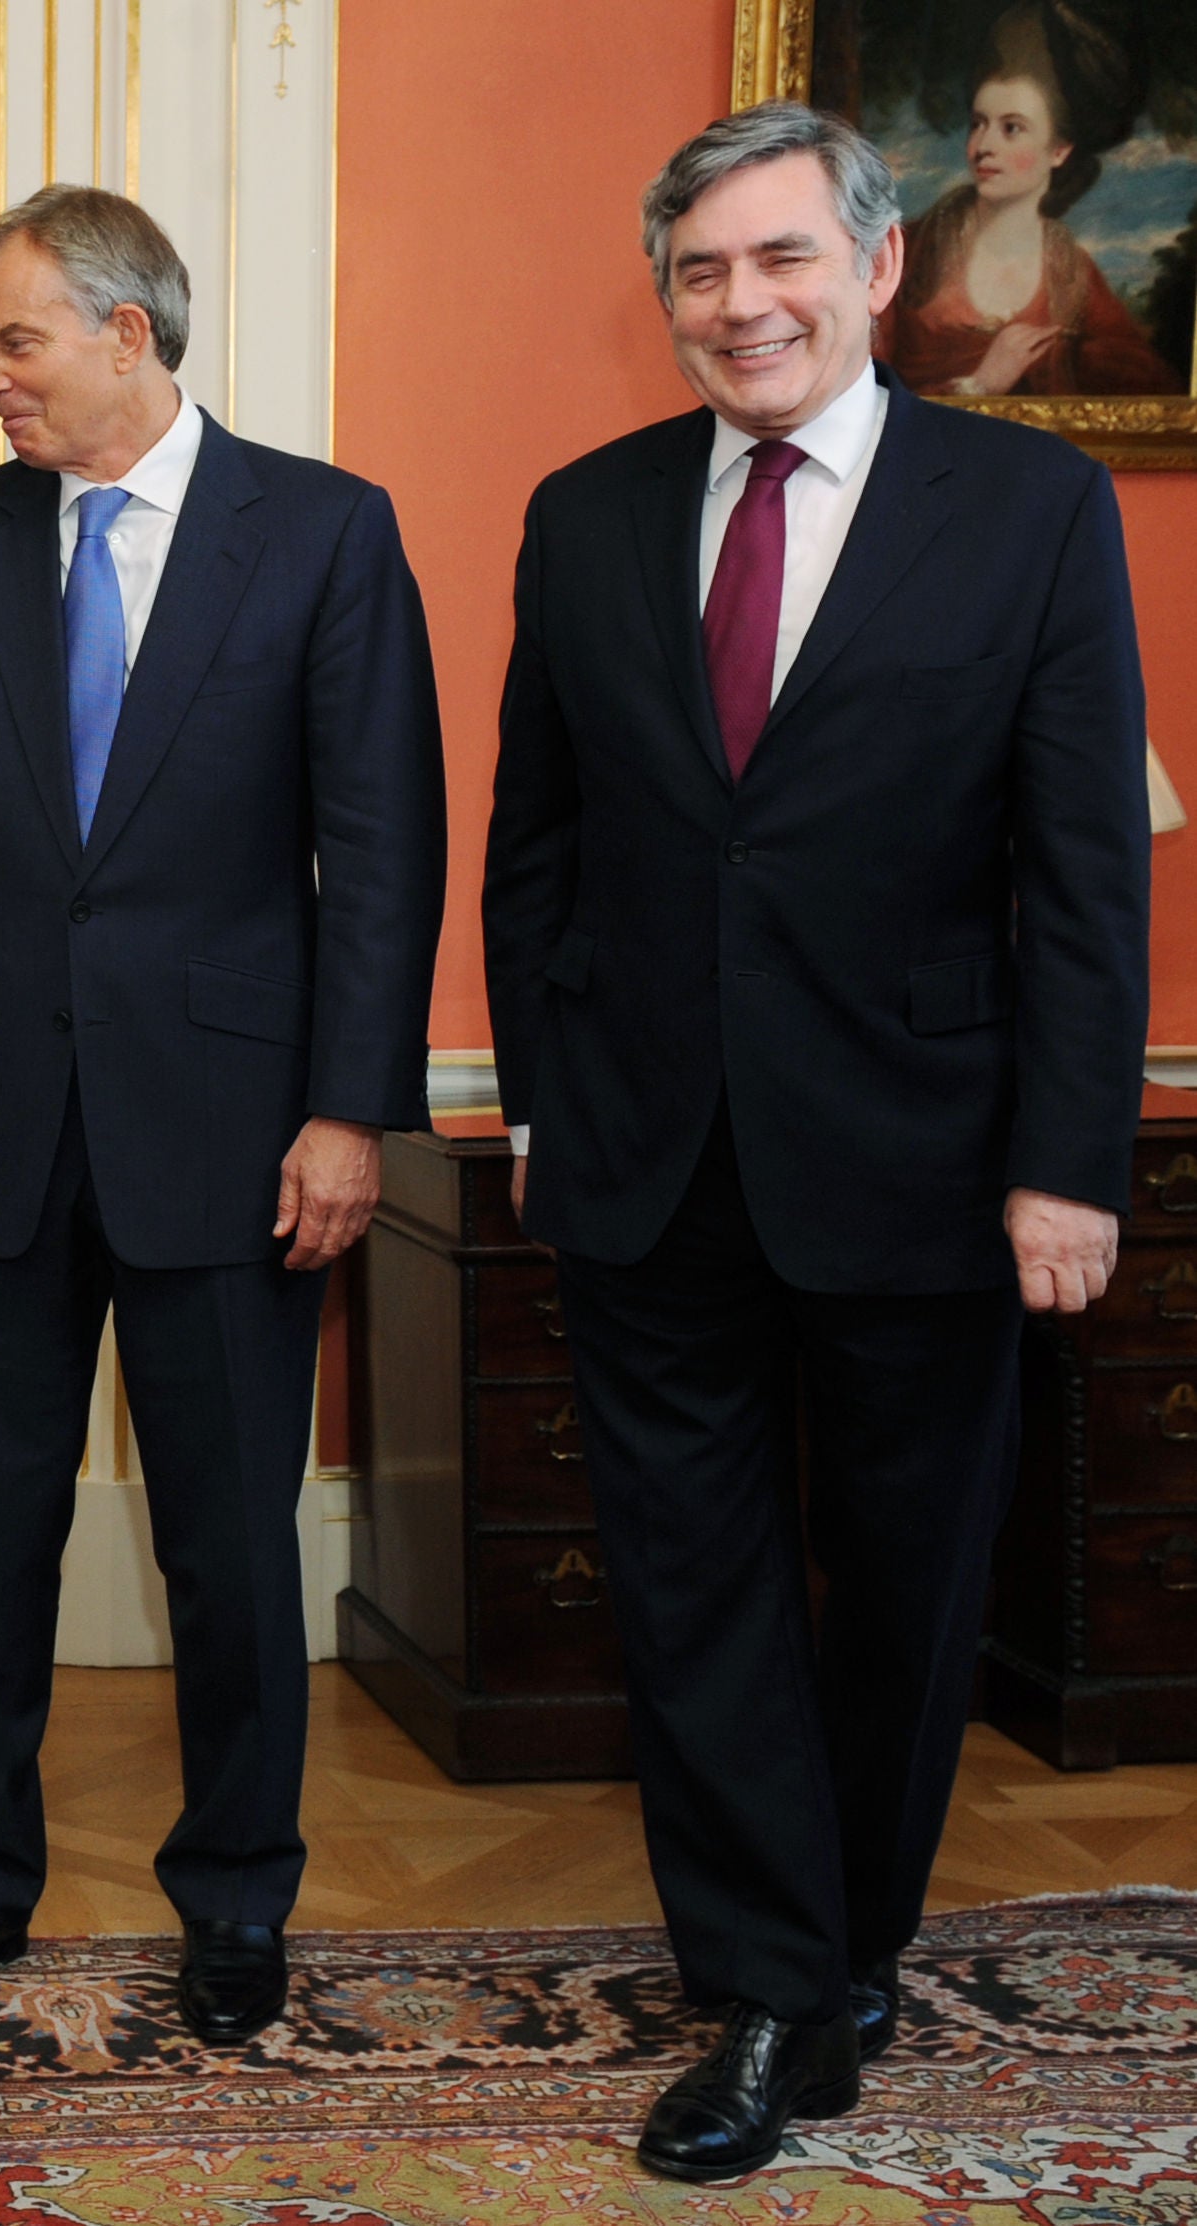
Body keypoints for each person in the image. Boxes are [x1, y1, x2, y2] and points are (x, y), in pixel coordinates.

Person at [485, 102, 1148, 2184]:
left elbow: (1077, 875)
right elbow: (537, 845)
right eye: (696, 271)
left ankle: (847, 1935)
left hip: (927, 1158)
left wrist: (1065, 1160)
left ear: (873, 268)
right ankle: (771, 1982)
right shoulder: (583, 514)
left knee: (905, 1587)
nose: (735, 305)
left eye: (777, 260)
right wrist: (539, 1088)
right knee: (688, 1590)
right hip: (644, 1158)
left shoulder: (1026, 512)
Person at [0, 188, 446, 2042]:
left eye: (15, 340)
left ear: (128, 333)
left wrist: (351, 1114)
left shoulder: (323, 532)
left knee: (226, 1545)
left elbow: (381, 847)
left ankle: (236, 1899)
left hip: (235, 1134)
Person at [880, 5, 1176, 397]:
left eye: (1011, 128)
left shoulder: (1071, 275)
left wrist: (1069, 356)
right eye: (978, 124)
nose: (984, 146)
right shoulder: (908, 251)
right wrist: (980, 383)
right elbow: (860, 388)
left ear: (1059, 149)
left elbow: (1153, 389)